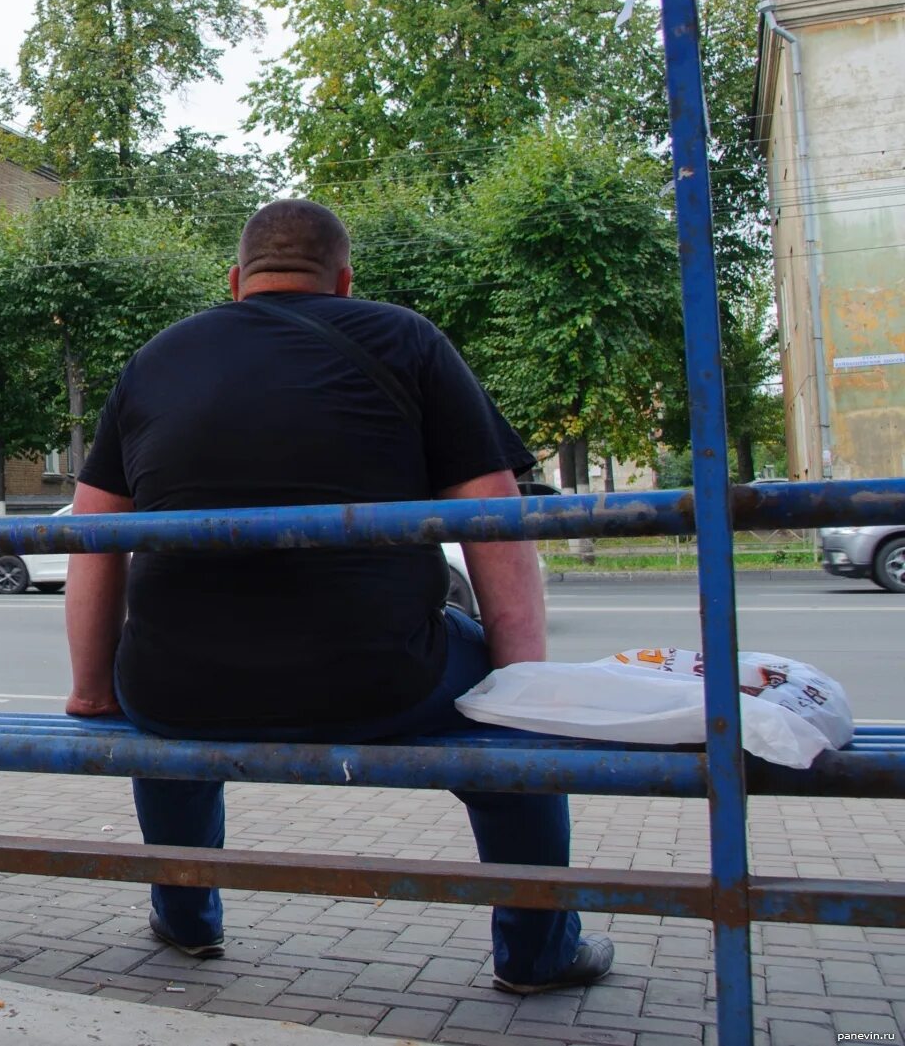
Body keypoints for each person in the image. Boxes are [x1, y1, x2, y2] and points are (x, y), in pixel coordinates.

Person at [63, 199, 614, 995]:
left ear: (237, 279)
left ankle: (186, 921)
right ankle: (537, 954)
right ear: (344, 281)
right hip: (381, 678)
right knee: (508, 754)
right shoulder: (408, 339)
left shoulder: (157, 358)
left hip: (179, 682)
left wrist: (90, 688)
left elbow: (92, 541)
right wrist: (521, 687)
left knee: (162, 698)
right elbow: (494, 516)